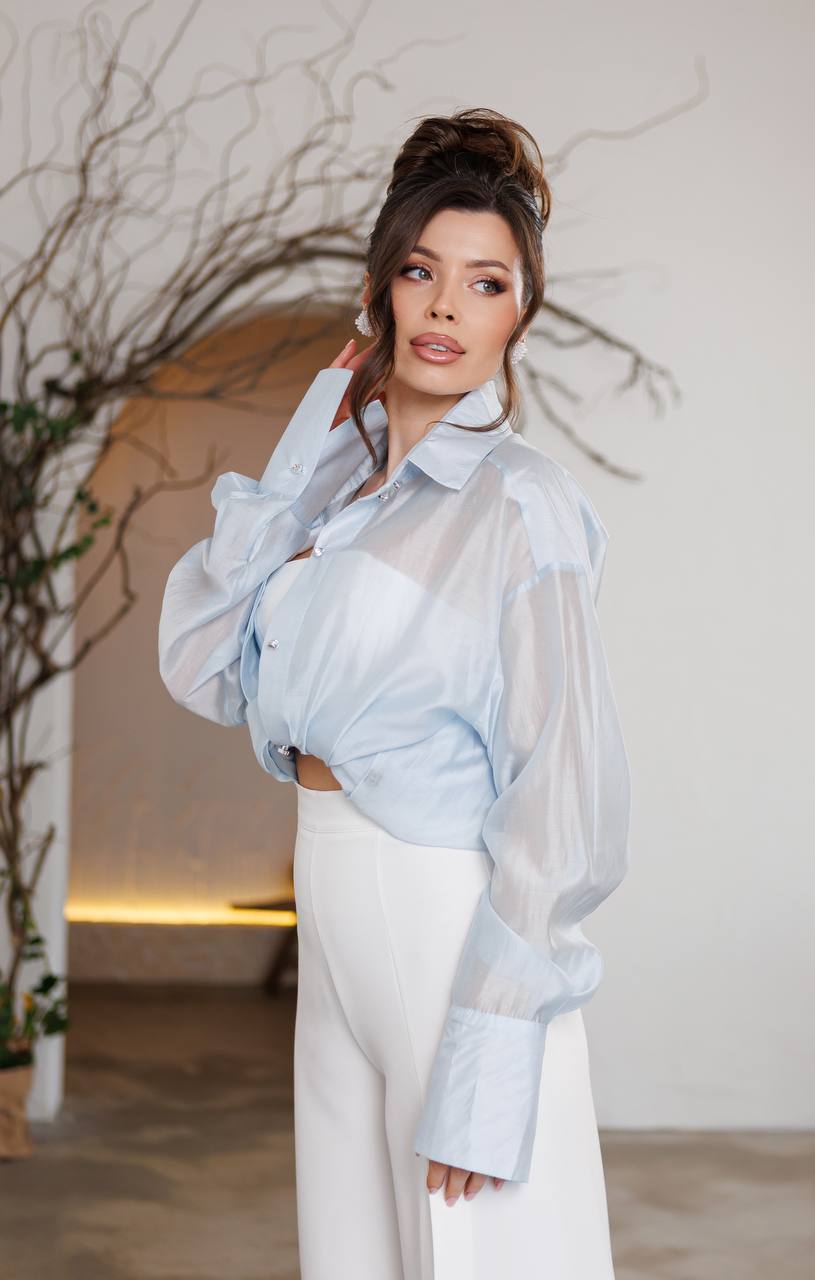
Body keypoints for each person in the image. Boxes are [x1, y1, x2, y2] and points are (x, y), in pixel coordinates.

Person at [158, 107, 632, 1280]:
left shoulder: (519, 505)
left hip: (442, 923)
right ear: (378, 290)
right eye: (420, 271)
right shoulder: (334, 497)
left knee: (484, 1257)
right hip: (336, 926)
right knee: (355, 1256)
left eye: (484, 283)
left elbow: (563, 790)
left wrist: (491, 1036)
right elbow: (204, 665)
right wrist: (300, 456)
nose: (444, 307)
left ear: (519, 312)